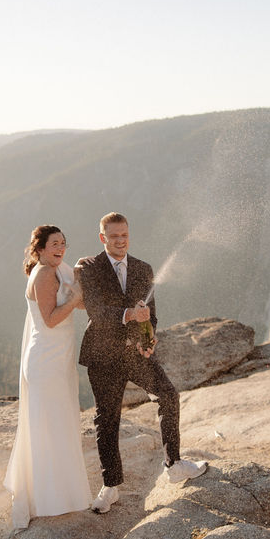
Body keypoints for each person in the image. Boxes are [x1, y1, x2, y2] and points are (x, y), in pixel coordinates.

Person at [76, 212, 207, 515]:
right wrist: (129, 315)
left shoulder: (143, 268)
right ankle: (110, 487)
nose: (120, 241)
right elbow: (96, 311)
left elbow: (152, 313)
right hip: (103, 356)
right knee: (107, 419)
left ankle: (173, 464)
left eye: (124, 235)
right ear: (102, 238)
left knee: (169, 395)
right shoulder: (90, 268)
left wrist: (149, 339)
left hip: (135, 352)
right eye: (113, 236)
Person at [3, 225, 92, 529]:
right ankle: (49, 498)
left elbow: (75, 291)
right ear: (39, 248)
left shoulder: (56, 268)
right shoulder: (43, 274)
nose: (61, 248)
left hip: (57, 359)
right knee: (50, 426)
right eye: (55, 243)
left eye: (64, 243)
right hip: (46, 362)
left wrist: (82, 277)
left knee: (58, 423)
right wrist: (77, 297)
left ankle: (58, 493)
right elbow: (51, 320)